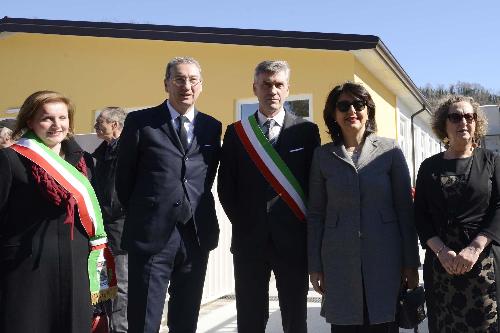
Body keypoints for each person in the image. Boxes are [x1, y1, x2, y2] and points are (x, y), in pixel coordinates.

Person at [116, 57, 222, 333]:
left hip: (195, 234)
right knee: (144, 319)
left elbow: (205, 178)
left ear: (201, 86)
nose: (186, 85)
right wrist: (149, 210)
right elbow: (123, 179)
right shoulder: (141, 122)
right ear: (166, 84)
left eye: (192, 80)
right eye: (179, 79)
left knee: (186, 318)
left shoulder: (212, 126)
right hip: (152, 234)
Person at [307, 82, 420, 333]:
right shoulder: (323, 156)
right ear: (333, 115)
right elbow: (316, 214)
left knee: (383, 323)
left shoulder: (389, 151)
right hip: (339, 260)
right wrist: (315, 265)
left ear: (368, 110)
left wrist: (411, 263)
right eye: (343, 106)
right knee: (345, 324)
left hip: (386, 259)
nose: (352, 111)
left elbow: (405, 210)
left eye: (358, 104)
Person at [218, 60, 321, 333]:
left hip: (293, 241)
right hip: (249, 242)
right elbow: (226, 188)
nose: (272, 90)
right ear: (255, 88)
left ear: (288, 90)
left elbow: (314, 188)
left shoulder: (307, 132)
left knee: (295, 318)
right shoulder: (237, 133)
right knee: (250, 319)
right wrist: (247, 222)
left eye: (278, 84)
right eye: (266, 84)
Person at [0, 91, 115, 333]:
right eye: (47, 118)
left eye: (62, 118)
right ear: (29, 121)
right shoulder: (10, 159)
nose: (56, 125)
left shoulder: (83, 161)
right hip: (27, 268)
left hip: (76, 266)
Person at [414, 95, 500, 332]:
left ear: (476, 123)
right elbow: (420, 215)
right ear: (444, 124)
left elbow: (499, 207)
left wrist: (474, 248)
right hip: (442, 264)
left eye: (469, 116)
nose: (463, 121)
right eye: (455, 116)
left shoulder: (491, 161)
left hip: (482, 264)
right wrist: (442, 252)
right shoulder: (429, 167)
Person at [93, 106, 128, 333]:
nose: (95, 127)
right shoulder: (102, 153)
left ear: (115, 125)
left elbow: (117, 194)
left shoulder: (128, 151)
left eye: (100, 123)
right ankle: (109, 327)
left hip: (122, 229)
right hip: (102, 230)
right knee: (105, 284)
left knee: (122, 286)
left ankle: (122, 329)